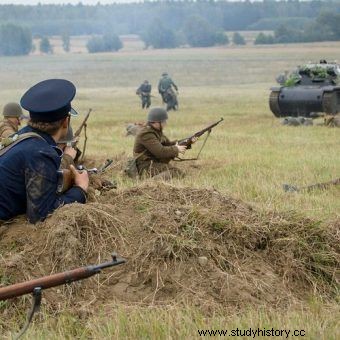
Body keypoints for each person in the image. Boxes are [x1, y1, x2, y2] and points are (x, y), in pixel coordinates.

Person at [0, 79, 89, 223]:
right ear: (66, 121)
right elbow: (41, 215)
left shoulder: (20, 136)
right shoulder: (41, 153)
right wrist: (80, 189)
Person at [133, 107, 186, 180]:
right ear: (156, 122)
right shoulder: (146, 134)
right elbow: (160, 152)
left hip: (152, 163)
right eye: (163, 122)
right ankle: (150, 183)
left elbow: (168, 144)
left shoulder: (155, 131)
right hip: (144, 166)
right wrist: (176, 149)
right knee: (175, 172)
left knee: (178, 173)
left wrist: (187, 142)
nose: (165, 124)